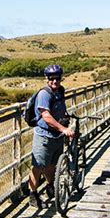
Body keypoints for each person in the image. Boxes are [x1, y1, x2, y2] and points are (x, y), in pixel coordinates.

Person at [28, 64, 75, 209]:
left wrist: (65, 123)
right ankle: (33, 195)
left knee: (52, 164)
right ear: (47, 79)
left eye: (58, 78)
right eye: (51, 78)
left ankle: (50, 187)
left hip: (57, 135)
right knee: (38, 166)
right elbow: (46, 116)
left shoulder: (60, 91)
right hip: (44, 136)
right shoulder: (44, 94)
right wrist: (64, 129)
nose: (55, 81)